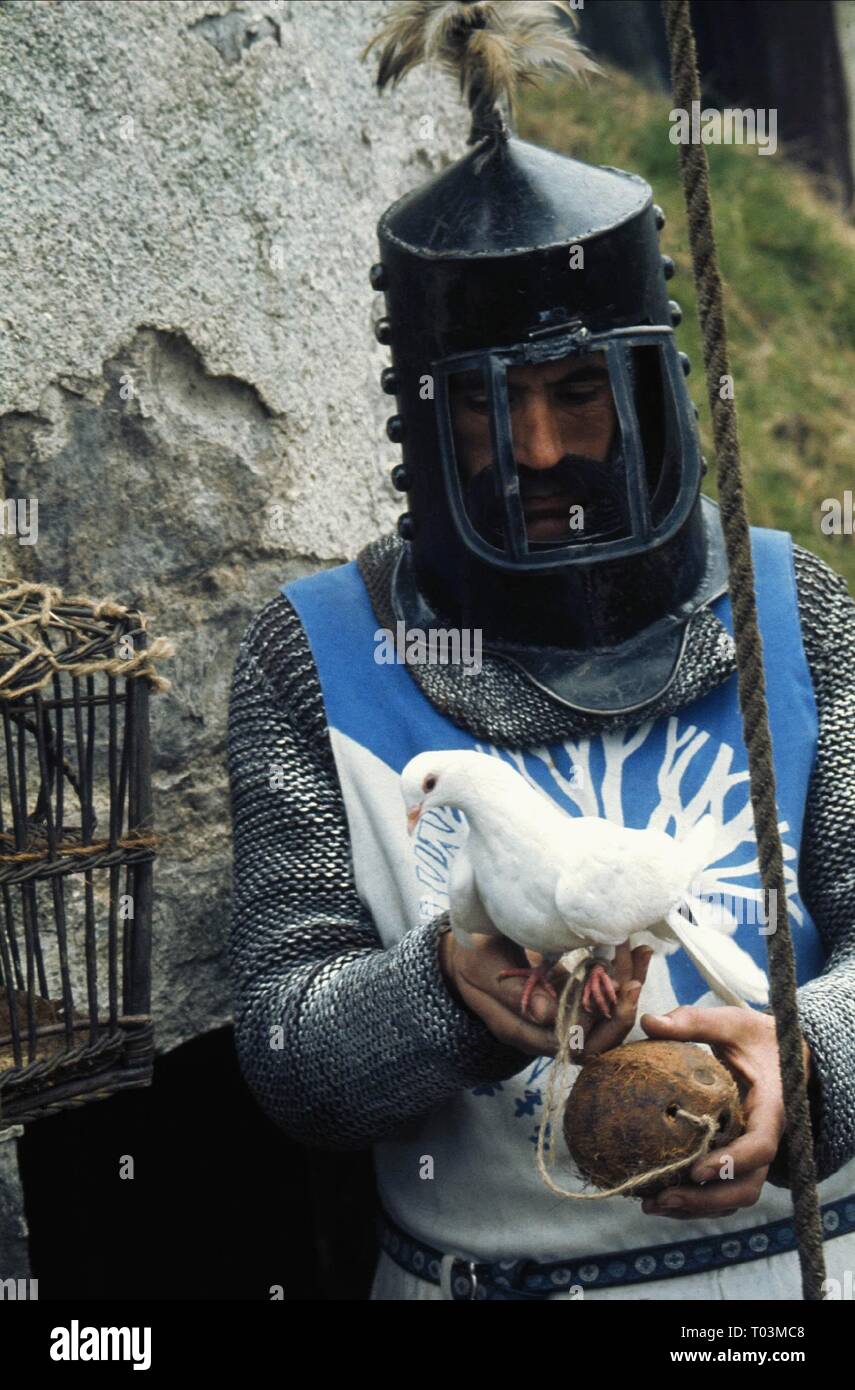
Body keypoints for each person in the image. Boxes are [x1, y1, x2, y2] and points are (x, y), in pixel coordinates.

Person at [226, 1, 855, 1299]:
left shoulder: (789, 605)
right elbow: (289, 1054)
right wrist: (452, 992)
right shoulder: (318, 655)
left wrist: (810, 1062)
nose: (541, 452)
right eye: (485, 405)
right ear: (422, 413)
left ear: (649, 389)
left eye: (576, 392)